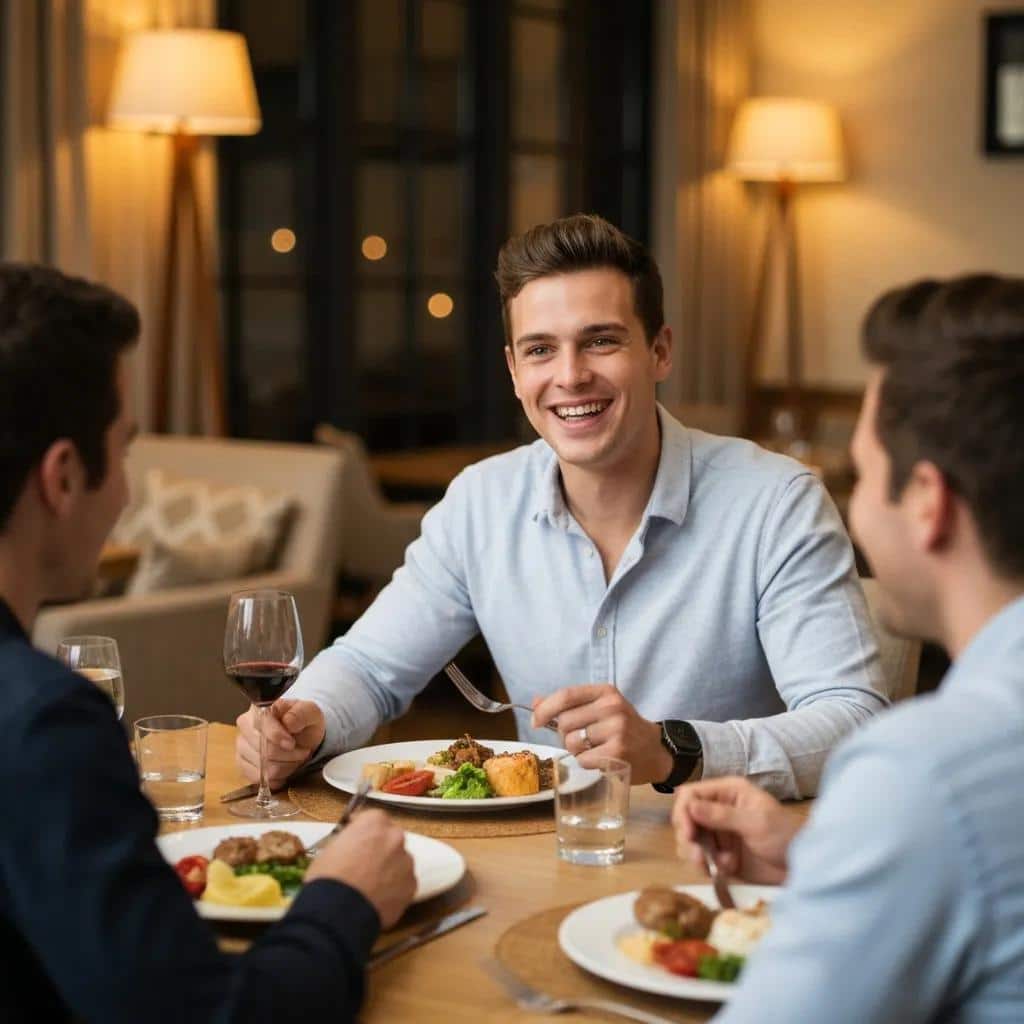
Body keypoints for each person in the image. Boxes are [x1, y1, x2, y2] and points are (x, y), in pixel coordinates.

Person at [238, 214, 886, 799]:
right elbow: (371, 666)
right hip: (540, 856)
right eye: (541, 349)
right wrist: (308, 717)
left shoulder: (776, 504)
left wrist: (672, 750)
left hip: (717, 866)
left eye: (600, 341)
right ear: (515, 370)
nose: (570, 376)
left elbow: (853, 720)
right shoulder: (480, 502)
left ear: (659, 351)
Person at [0, 263, 416, 1023]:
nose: (127, 493)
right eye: (123, 452)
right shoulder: (42, 723)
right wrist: (344, 899)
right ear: (62, 477)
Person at [673, 274, 1024, 1021]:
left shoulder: (926, 769)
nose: (854, 505)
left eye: (861, 474)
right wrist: (823, 866)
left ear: (928, 503)